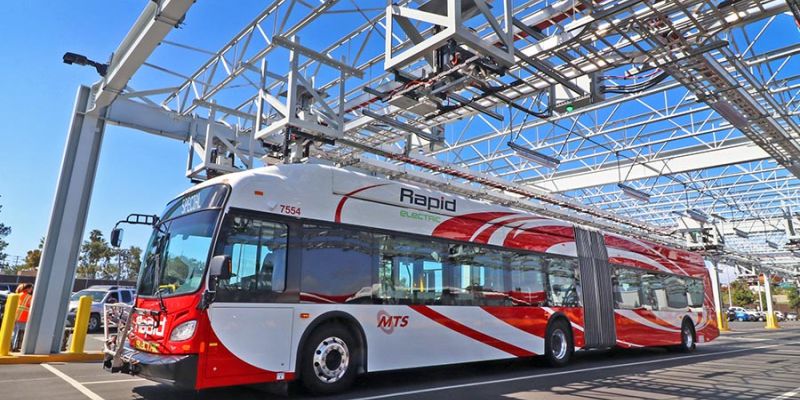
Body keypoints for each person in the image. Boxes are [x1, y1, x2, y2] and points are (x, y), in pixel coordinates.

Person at [11, 283, 32, 352]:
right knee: (19, 333)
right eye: (30, 288)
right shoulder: (29, 297)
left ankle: (11, 346)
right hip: (23, 317)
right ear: (27, 288)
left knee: (14, 332)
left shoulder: (18, 295)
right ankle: (15, 347)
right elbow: (30, 305)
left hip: (15, 316)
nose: (31, 290)